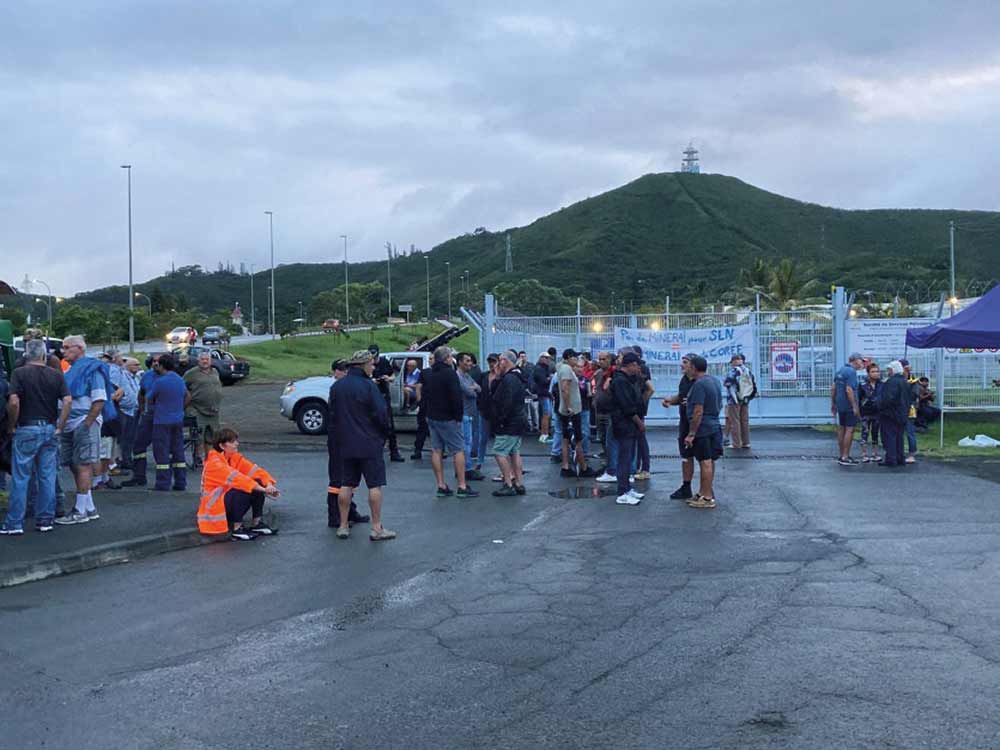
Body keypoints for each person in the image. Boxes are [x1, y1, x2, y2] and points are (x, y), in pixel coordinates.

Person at [1, 339, 71, 534]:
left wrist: (12, 425)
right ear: (44, 355)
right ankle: (45, 520)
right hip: (49, 428)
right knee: (47, 476)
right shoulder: (56, 375)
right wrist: (60, 425)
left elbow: (14, 401)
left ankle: (14, 523)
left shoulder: (19, 373)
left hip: (26, 428)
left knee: (21, 477)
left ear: (26, 354)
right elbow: (67, 401)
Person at [329, 350, 396, 541]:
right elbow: (381, 413)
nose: (373, 367)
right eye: (371, 364)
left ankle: (342, 525)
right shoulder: (368, 386)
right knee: (374, 485)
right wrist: (385, 434)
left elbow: (333, 415)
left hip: (346, 442)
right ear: (364, 365)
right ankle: (376, 527)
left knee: (346, 484)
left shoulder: (337, 387)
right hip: (369, 442)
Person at [54, 335, 109, 525]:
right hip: (71, 423)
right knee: (75, 464)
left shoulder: (92, 370)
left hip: (82, 423)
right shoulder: (71, 371)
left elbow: (100, 399)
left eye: (67, 347)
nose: (64, 351)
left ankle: (79, 511)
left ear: (79, 348)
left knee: (82, 465)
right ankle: (89, 506)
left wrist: (87, 424)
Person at [198, 428, 278, 540]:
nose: (237, 443)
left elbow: (257, 471)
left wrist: (268, 485)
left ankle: (256, 524)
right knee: (244, 488)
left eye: (236, 440)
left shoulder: (233, 458)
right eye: (232, 441)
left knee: (256, 482)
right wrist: (264, 490)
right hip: (214, 507)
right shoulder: (214, 463)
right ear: (222, 446)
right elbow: (239, 480)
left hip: (225, 501)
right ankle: (237, 528)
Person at [423, 346, 478, 499]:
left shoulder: (429, 373)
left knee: (436, 449)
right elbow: (455, 397)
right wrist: (458, 417)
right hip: (447, 417)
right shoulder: (450, 374)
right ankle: (462, 485)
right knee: (458, 449)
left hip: (432, 416)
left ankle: (441, 485)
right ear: (447, 358)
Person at [325, 359, 369, 529]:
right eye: (342, 370)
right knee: (337, 478)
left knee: (348, 477)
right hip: (338, 438)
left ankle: (350, 510)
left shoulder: (343, 387)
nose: (345, 373)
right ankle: (334, 516)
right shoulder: (337, 388)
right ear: (336, 372)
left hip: (346, 437)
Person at [683, 355, 724, 509]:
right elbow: (717, 403)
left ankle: (707, 497)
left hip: (703, 429)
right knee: (709, 461)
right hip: (714, 425)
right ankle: (703, 492)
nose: (686, 368)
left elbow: (698, 410)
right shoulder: (714, 381)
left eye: (689, 366)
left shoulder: (699, 384)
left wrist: (692, 433)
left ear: (694, 368)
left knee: (705, 461)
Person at [146, 354, 188, 491]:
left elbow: (149, 398)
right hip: (178, 419)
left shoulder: (160, 382)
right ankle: (181, 482)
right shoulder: (180, 380)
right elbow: (188, 396)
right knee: (178, 451)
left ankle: (163, 483)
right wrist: (180, 408)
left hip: (161, 420)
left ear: (162, 365)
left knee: (162, 452)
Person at [610, 351, 645, 505]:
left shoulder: (627, 380)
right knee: (624, 457)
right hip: (623, 423)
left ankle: (626, 487)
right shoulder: (620, 381)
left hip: (628, 424)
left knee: (628, 456)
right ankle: (622, 491)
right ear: (631, 365)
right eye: (637, 366)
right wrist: (639, 422)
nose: (638, 370)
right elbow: (627, 406)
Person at [491, 350, 527, 496]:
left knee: (499, 452)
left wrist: (500, 419)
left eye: (500, 360)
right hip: (517, 420)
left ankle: (508, 483)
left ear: (505, 361)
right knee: (514, 452)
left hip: (509, 421)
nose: (498, 364)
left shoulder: (509, 379)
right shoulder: (517, 377)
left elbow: (506, 401)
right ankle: (519, 483)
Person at [662, 354, 697, 500]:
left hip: (697, 424)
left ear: (693, 366)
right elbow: (681, 397)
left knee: (705, 458)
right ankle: (686, 486)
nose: (682, 365)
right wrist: (671, 400)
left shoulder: (700, 381)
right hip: (684, 423)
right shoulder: (684, 380)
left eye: (685, 362)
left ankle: (707, 490)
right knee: (686, 455)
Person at [122, 353, 160, 487]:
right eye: (154, 361)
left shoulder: (171, 377)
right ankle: (139, 477)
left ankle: (164, 482)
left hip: (164, 418)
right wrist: (143, 408)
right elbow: (141, 393)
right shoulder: (147, 376)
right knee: (138, 445)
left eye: (158, 361)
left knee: (163, 449)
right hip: (148, 416)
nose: (155, 363)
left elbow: (185, 395)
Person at [557, 349, 595, 478]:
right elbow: (565, 389)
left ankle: (566, 466)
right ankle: (583, 467)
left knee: (566, 438)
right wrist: (569, 407)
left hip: (568, 410)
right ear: (569, 357)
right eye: (575, 358)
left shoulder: (562, 367)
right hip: (571, 411)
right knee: (577, 439)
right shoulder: (567, 369)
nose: (577, 360)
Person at [183, 351, 222, 468]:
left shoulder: (215, 371)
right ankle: (197, 458)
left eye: (207, 359)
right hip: (197, 409)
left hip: (213, 410)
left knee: (212, 437)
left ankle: (209, 460)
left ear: (211, 361)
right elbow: (181, 386)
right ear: (198, 361)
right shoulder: (191, 373)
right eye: (202, 359)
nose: (205, 361)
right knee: (198, 436)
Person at [368, 344, 405, 462]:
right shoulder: (367, 364)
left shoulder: (384, 362)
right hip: (372, 398)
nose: (373, 360)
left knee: (389, 425)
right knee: (373, 425)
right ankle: (374, 451)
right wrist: (371, 381)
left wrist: (388, 378)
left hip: (384, 396)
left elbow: (393, 375)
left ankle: (394, 452)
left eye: (375, 357)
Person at [832, 352, 865, 466]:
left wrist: (833, 403)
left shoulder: (840, 370)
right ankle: (845, 457)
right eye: (861, 361)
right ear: (855, 360)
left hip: (840, 404)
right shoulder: (851, 372)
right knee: (849, 430)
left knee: (842, 429)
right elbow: (849, 390)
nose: (862, 363)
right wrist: (854, 406)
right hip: (848, 405)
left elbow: (834, 387)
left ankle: (842, 455)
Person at [456, 352, 484, 480]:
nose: (470, 363)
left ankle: (462, 468)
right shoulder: (458, 376)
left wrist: (475, 388)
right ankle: (466, 469)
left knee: (468, 442)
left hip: (470, 413)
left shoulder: (467, 376)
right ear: (460, 362)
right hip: (464, 414)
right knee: (465, 444)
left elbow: (479, 388)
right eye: (467, 361)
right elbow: (469, 392)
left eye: (470, 361)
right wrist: (475, 389)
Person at [879, 361, 909, 468]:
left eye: (889, 370)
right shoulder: (904, 381)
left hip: (890, 413)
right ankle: (900, 457)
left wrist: (880, 406)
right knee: (899, 437)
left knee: (889, 436)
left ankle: (891, 459)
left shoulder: (891, 382)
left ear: (893, 370)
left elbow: (888, 399)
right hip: (902, 413)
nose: (888, 372)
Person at [594, 352, 618, 483]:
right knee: (603, 439)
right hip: (599, 411)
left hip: (610, 411)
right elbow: (597, 389)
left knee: (611, 442)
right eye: (600, 359)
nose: (601, 361)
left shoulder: (614, 373)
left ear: (609, 360)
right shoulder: (598, 374)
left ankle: (613, 467)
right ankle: (608, 463)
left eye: (604, 359)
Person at [113, 356, 141, 470]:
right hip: (124, 410)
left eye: (139, 364)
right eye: (136, 365)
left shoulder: (137, 377)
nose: (138, 367)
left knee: (131, 437)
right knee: (123, 437)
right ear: (128, 366)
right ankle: (122, 459)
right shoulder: (122, 376)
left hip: (134, 410)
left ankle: (128, 458)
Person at [723, 353, 755, 450]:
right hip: (745, 398)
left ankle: (736, 444)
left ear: (733, 361)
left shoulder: (733, 371)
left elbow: (727, 383)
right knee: (744, 421)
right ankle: (746, 442)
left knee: (735, 421)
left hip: (734, 399)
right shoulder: (748, 370)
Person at [474, 353, 500, 475]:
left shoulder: (502, 377)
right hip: (484, 410)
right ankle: (479, 461)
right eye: (489, 361)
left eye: (494, 361)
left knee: (500, 438)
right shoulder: (484, 375)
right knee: (482, 438)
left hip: (497, 412)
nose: (491, 364)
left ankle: (504, 465)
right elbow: (478, 390)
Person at [632, 346, 654, 480]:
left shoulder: (642, 369)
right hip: (634, 408)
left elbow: (650, 389)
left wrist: (642, 403)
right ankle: (637, 465)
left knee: (640, 438)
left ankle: (645, 468)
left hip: (637, 409)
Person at [857, 362, 883, 463]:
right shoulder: (863, 385)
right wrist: (858, 412)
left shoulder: (882, 384)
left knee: (875, 433)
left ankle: (875, 454)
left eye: (877, 371)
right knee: (864, 433)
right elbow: (858, 399)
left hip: (877, 412)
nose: (876, 373)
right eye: (873, 372)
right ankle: (864, 454)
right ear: (868, 373)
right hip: (865, 413)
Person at [900, 359, 920, 464]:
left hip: (909, 410)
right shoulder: (896, 379)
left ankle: (912, 453)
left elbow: (914, 395)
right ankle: (899, 452)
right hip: (898, 410)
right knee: (898, 432)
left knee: (910, 432)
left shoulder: (914, 382)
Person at [533, 352, 553, 443]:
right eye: (546, 358)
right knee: (546, 414)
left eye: (549, 358)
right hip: (543, 394)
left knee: (546, 414)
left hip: (545, 394)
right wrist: (550, 378)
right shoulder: (539, 368)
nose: (548, 359)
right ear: (541, 358)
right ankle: (544, 434)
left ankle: (545, 432)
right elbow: (543, 381)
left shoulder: (544, 368)